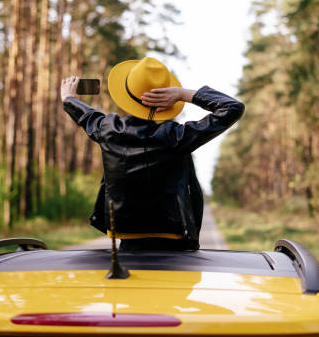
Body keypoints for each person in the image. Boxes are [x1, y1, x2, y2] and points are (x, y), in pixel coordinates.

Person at [62, 57, 244, 251]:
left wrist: (68, 98)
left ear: (126, 96)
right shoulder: (176, 137)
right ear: (165, 103)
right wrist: (183, 94)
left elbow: (87, 115)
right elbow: (232, 108)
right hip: (172, 238)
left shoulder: (108, 130)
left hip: (126, 237)